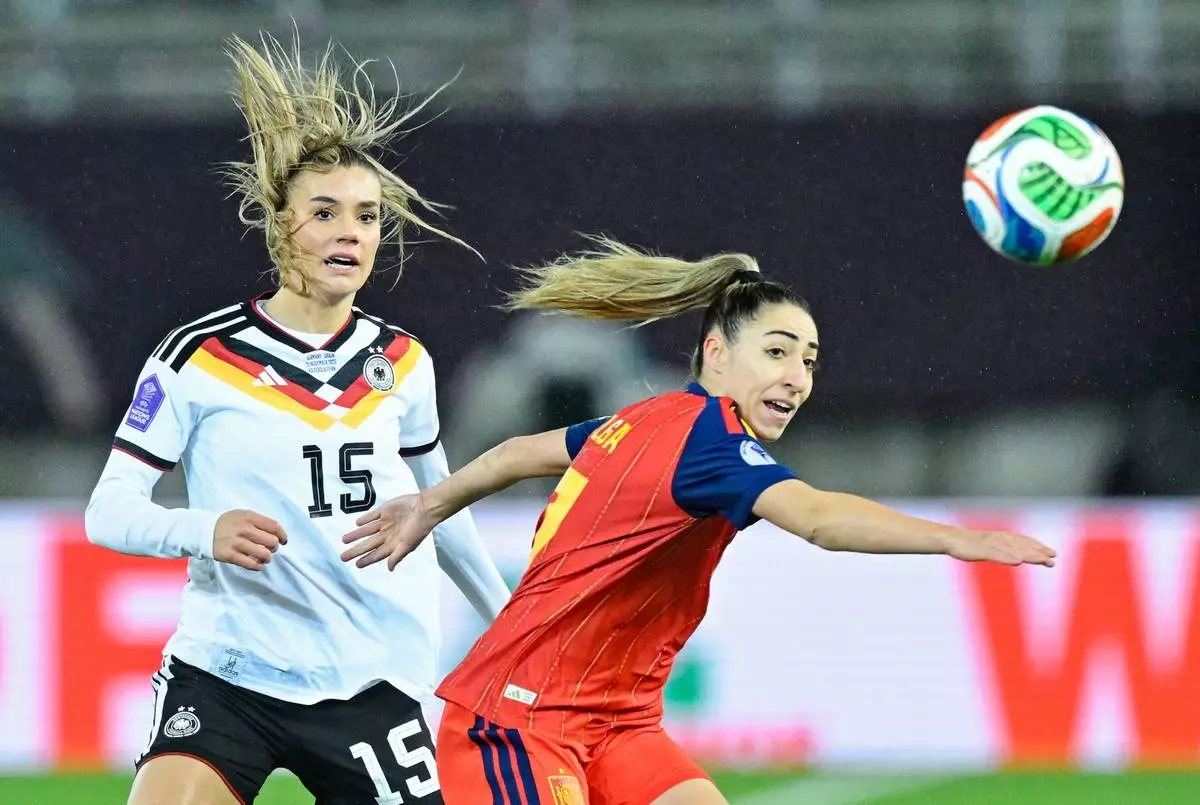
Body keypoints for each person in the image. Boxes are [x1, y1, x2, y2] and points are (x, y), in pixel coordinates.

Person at [339, 238, 1058, 805]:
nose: (797, 377)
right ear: (716, 353)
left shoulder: (644, 419)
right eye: (775, 352)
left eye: (808, 360)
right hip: (520, 725)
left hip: (618, 723)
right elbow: (817, 518)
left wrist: (431, 504)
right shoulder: (711, 442)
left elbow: (518, 453)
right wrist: (955, 537)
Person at [84, 33, 509, 805]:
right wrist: (201, 527)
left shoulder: (404, 362)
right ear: (280, 224)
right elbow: (107, 511)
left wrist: (514, 627)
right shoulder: (197, 357)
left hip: (371, 676)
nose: (352, 231)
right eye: (325, 212)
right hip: (228, 674)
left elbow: (441, 509)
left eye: (368, 216)